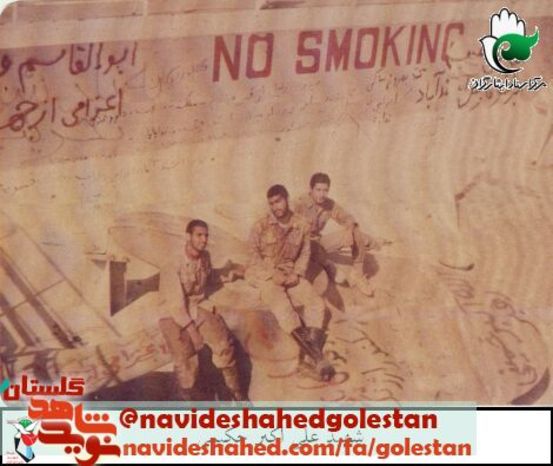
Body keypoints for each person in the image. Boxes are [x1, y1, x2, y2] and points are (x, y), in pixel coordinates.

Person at [246, 184, 335, 381]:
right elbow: (252, 255)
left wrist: (298, 273)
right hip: (266, 275)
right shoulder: (261, 226)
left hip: (291, 273)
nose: (275, 207)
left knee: (316, 303)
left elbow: (305, 252)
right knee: (283, 309)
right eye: (271, 203)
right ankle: (318, 359)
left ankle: (311, 357)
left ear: (287, 199)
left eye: (278, 201)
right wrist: (272, 274)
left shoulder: (301, 224)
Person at [157, 219, 246, 401]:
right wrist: (193, 333)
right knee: (186, 361)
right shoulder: (172, 264)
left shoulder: (204, 257)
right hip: (172, 314)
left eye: (206, 236)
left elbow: (209, 277)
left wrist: (231, 274)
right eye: (199, 235)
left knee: (223, 344)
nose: (204, 240)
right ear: (188, 236)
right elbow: (176, 306)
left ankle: (236, 394)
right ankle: (189, 403)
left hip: (195, 306)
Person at [293, 172, 385, 296]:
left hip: (320, 243)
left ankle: (358, 275)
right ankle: (328, 264)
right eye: (318, 190)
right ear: (311, 189)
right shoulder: (299, 203)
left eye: (325, 190)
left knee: (355, 231)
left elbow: (348, 218)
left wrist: (349, 231)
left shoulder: (329, 204)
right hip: (302, 247)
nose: (322, 194)